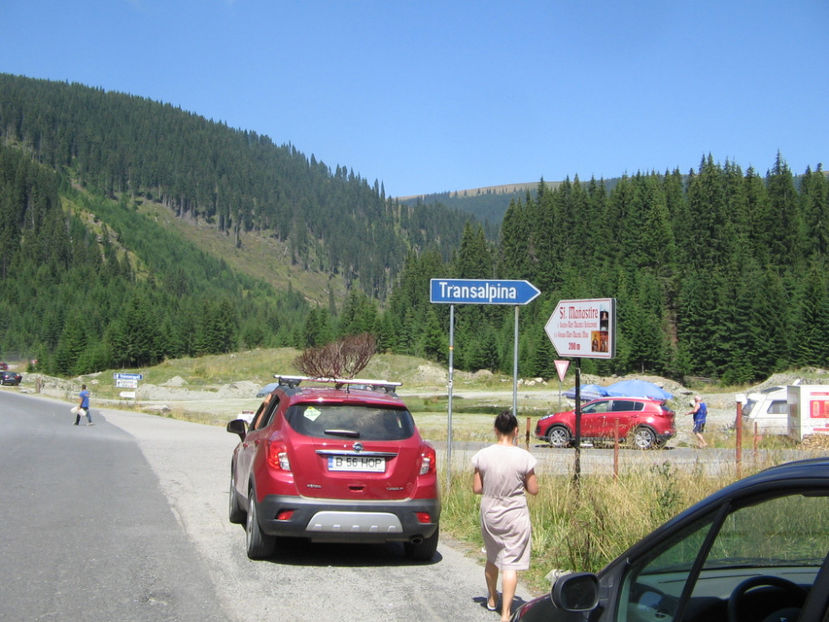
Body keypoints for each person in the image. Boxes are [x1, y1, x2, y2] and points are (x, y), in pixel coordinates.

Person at [472, 410, 538, 621]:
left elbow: (476, 488)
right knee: (511, 563)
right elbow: (533, 489)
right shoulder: (524, 458)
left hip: (490, 512)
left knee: (493, 557)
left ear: (496, 430)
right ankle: (506, 613)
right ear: (516, 431)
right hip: (515, 513)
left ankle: (492, 598)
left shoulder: (482, 456)